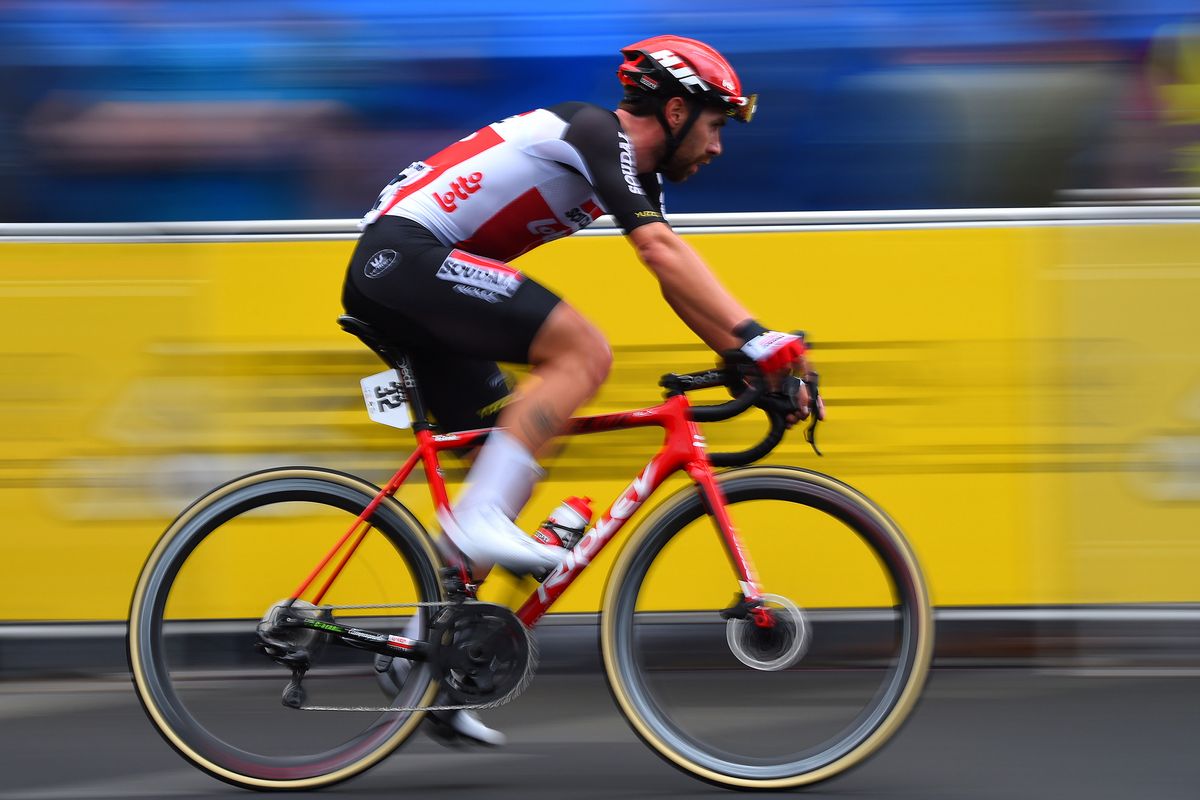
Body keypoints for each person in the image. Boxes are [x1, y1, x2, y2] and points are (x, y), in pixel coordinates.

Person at [342, 35, 816, 745]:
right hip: (402, 258)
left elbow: (670, 279)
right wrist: (756, 336)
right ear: (678, 110)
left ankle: (422, 659)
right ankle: (466, 550)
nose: (717, 148)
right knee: (582, 351)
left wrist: (744, 357)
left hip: (416, 273)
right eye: (716, 126)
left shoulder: (633, 174)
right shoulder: (596, 131)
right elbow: (660, 251)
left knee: (510, 464)